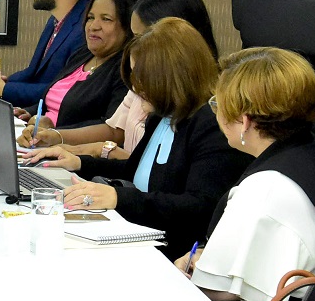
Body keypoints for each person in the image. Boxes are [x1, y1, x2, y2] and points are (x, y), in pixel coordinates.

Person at [28, 17, 251, 257]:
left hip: (172, 254)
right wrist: (79, 162)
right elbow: (133, 171)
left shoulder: (211, 125)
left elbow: (200, 207)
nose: (134, 86)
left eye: (141, 76)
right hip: (139, 236)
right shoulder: (161, 116)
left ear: (171, 77)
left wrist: (118, 198)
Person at [173, 48, 315, 301]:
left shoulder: (265, 189)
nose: (215, 113)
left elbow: (213, 289)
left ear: (245, 122)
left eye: (217, 105)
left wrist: (190, 267)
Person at [21, 0, 219, 159]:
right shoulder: (141, 83)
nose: (134, 46)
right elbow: (116, 131)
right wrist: (56, 141)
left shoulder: (204, 113)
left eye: (142, 37)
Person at [18, 0, 135, 135]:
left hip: (68, 148)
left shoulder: (125, 70)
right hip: (38, 135)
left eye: (106, 19)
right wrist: (28, 113)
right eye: (90, 18)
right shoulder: (82, 54)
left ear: (127, 27)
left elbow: (111, 128)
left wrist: (54, 131)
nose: (93, 26)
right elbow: (55, 100)